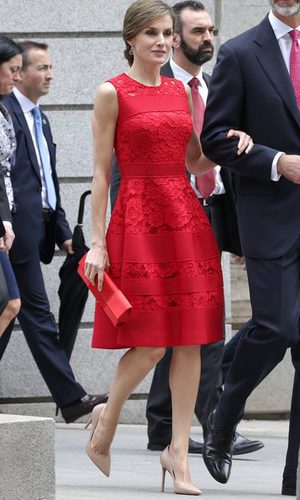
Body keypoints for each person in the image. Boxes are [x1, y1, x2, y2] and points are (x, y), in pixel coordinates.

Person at [83, 0, 253, 494]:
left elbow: (197, 161)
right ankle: (107, 418)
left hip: (186, 220)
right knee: (152, 340)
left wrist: (234, 140)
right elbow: (99, 172)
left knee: (192, 338)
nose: (162, 41)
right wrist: (97, 243)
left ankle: (178, 453)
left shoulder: (181, 91)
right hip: (136, 222)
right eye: (152, 34)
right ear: (131, 38)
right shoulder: (110, 92)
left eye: (166, 34)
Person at [200, 0, 300, 496]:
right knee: (276, 326)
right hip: (271, 216)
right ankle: (225, 413)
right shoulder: (240, 53)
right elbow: (213, 138)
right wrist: (276, 160)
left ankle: (293, 478)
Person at [0, 41, 108, 423]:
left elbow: (46, 181)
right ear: (19, 72)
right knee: (31, 311)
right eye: (40, 68)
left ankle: (71, 398)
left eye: (51, 67)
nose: (49, 75)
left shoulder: (39, 117)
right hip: (14, 229)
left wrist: (63, 231)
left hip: (36, 228)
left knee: (16, 309)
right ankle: (72, 398)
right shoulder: (5, 111)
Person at [0, 36, 22, 335]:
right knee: (10, 302)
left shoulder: (4, 110)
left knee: (10, 303)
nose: (18, 77)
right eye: (12, 70)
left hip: (4, 215)